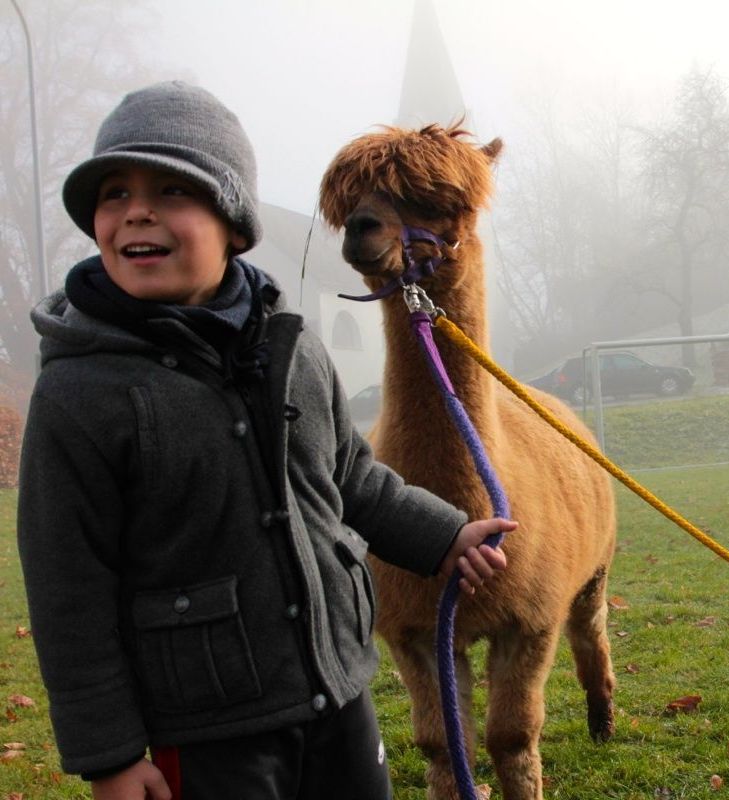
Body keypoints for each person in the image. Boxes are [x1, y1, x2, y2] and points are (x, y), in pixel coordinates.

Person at [17, 81, 515, 800]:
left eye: (171, 190)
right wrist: (112, 756)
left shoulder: (291, 348)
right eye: (114, 194)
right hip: (209, 727)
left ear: (233, 222)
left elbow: (351, 478)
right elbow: (69, 591)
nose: (137, 212)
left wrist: (447, 536)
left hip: (337, 690)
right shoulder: (80, 395)